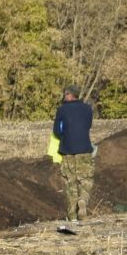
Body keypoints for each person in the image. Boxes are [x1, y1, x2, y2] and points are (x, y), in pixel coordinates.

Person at [51, 86, 95, 223]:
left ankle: (72, 217)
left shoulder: (62, 110)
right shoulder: (88, 109)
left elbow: (57, 132)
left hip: (68, 151)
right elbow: (88, 126)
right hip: (85, 150)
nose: (64, 97)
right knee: (86, 179)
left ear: (70, 95)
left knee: (70, 183)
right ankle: (83, 200)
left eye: (65, 94)